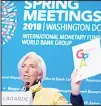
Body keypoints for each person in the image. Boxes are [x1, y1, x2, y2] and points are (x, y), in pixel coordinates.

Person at [18, 52, 84, 105]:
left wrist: (75, 92)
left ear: (40, 74)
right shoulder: (14, 98)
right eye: (23, 66)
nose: (26, 70)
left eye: (32, 66)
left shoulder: (52, 94)